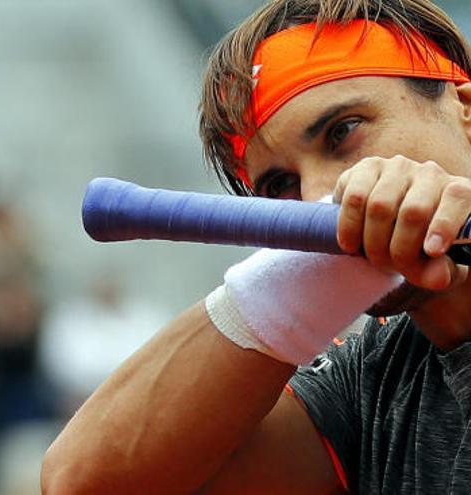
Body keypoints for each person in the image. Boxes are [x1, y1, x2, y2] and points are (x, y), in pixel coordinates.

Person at [41, 1, 471, 493]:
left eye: (343, 131)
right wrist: (294, 284)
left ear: (465, 111)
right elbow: (84, 483)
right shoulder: (365, 382)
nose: (317, 198)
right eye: (280, 186)